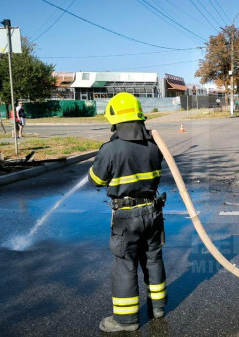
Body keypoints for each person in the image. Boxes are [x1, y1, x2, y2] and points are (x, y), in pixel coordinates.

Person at [88, 92, 167, 332]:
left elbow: (96, 180)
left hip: (126, 216)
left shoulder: (110, 149)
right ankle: (159, 308)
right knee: (153, 258)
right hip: (154, 212)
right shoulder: (154, 145)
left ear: (115, 120)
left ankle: (125, 321)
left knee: (125, 264)